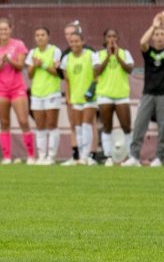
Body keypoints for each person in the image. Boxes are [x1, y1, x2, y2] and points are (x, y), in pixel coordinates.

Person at [125, 12, 164, 167]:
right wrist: (153, 26)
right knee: (140, 124)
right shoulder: (149, 52)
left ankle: (159, 158)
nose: (160, 37)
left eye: (162, 35)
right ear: (153, 37)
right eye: (157, 35)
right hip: (148, 93)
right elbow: (142, 42)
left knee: (163, 128)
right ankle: (134, 156)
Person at [0, 19, 34, 164]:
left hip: (17, 87)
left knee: (23, 121)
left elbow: (20, 66)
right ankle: (6, 157)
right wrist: (1, 62)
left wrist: (9, 60)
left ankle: (31, 156)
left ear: (10, 30)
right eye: (0, 29)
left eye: (6, 29)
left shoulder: (18, 44)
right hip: (0, 89)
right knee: (4, 123)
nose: (3, 32)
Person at [93, 28, 135, 165]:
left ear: (117, 39)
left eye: (114, 36)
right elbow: (97, 71)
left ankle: (129, 156)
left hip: (121, 94)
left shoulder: (125, 53)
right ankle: (108, 156)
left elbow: (129, 69)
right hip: (105, 94)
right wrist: (108, 56)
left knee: (126, 126)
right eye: (109, 36)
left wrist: (117, 57)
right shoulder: (98, 55)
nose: (111, 39)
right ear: (104, 39)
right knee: (107, 126)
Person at [60, 29, 98, 166]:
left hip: (90, 97)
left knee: (87, 123)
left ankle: (86, 156)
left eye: (77, 41)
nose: (74, 44)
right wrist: (68, 97)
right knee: (78, 126)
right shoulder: (66, 59)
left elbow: (97, 75)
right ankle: (81, 155)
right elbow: (67, 80)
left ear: (83, 42)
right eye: (72, 41)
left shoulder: (91, 55)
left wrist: (91, 91)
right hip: (76, 97)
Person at [26, 27, 64, 165]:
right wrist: (34, 66)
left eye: (43, 35)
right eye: (37, 35)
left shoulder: (55, 51)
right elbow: (29, 75)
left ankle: (51, 156)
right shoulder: (32, 53)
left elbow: (56, 72)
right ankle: (41, 155)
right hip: (37, 93)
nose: (40, 37)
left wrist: (42, 64)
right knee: (40, 126)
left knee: (52, 124)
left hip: (52, 92)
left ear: (48, 37)